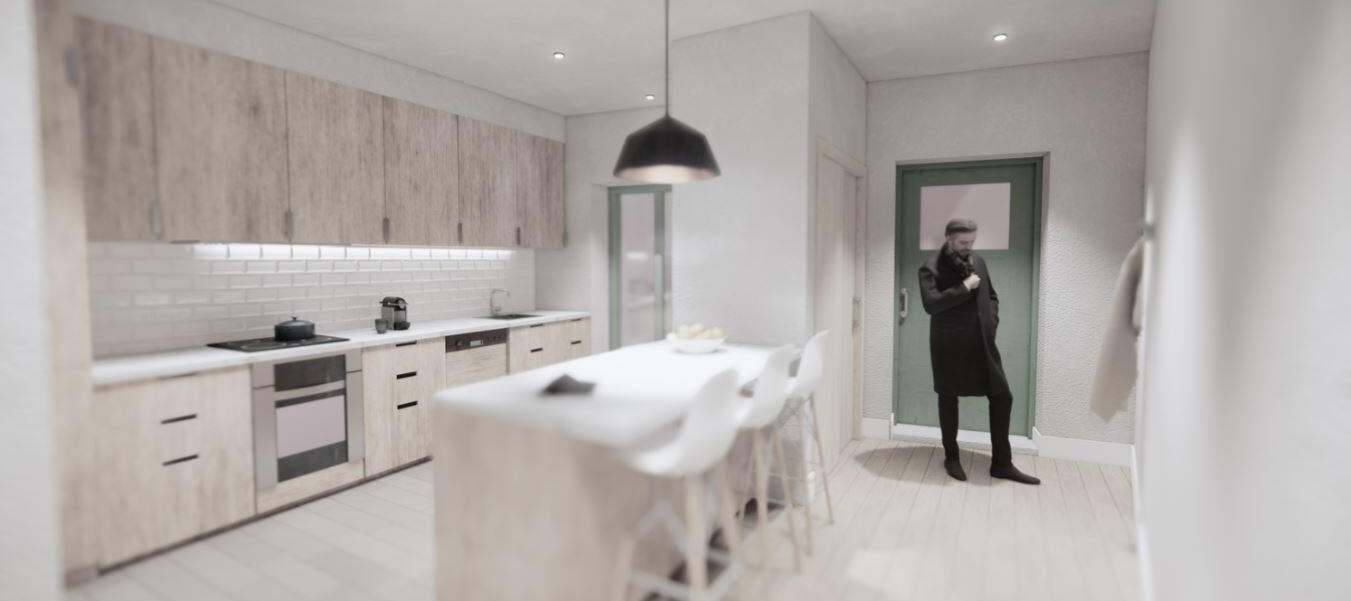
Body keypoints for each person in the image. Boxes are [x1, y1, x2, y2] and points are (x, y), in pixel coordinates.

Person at [917, 218, 1039, 484]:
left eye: (972, 241)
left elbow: (991, 296)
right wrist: (963, 287)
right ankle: (951, 457)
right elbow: (931, 304)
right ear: (949, 239)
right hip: (949, 345)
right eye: (963, 242)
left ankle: (1002, 463)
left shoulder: (979, 262)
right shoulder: (930, 267)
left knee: (1003, 397)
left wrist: (991, 322)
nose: (968, 246)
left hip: (982, 343)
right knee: (948, 398)